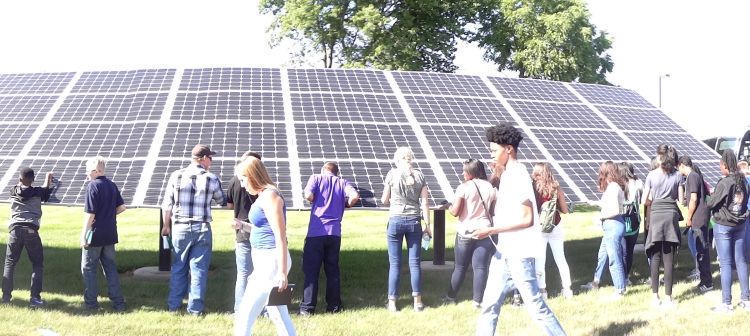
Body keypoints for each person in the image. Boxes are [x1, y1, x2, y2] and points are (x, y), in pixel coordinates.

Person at [473, 123, 565, 336]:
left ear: (509, 149)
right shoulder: (506, 174)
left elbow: (527, 218)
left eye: (494, 150)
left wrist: (492, 230)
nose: (492, 155)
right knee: (489, 306)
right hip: (503, 253)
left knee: (536, 308)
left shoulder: (519, 174)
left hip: (519, 255)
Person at [233, 156, 295, 336]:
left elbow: (280, 236)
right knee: (278, 314)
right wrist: (242, 225)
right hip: (265, 260)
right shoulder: (264, 195)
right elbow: (263, 228)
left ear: (253, 176)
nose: (243, 185)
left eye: (244, 180)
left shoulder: (270, 196)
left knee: (245, 314)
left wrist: (282, 272)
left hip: (272, 262)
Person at [161, 144, 225, 316]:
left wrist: (166, 225)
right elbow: (221, 200)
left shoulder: (177, 175)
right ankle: (195, 309)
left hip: (180, 227)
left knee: (178, 268)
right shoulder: (211, 178)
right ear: (203, 159)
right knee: (199, 270)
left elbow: (167, 204)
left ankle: (174, 306)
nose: (211, 161)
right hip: (202, 228)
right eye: (210, 158)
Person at [299, 162, 360, 315]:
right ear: (336, 172)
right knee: (332, 270)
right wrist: (346, 204)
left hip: (316, 232)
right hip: (334, 233)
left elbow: (308, 195)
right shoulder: (342, 182)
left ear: (323, 170)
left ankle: (307, 308)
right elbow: (354, 196)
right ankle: (334, 306)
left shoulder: (316, 178)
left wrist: (315, 200)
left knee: (311, 271)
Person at [381, 147, 431, 312]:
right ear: (411, 159)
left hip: (395, 220)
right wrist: (428, 225)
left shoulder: (392, 174)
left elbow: (384, 200)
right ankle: (417, 302)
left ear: (397, 159)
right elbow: (424, 203)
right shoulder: (419, 175)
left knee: (395, 264)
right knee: (415, 263)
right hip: (414, 221)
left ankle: (393, 303)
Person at [443, 159, 496, 308]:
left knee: (460, 267)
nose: (462, 173)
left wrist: (448, 205)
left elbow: (455, 212)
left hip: (465, 232)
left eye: (464, 171)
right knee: (480, 267)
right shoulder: (490, 187)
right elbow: (492, 212)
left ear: (471, 172)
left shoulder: (463, 187)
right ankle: (477, 301)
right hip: (485, 231)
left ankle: (451, 297)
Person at [80, 157, 127, 311]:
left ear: (95, 171)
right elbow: (122, 208)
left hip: (94, 234)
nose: (87, 174)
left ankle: (92, 304)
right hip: (110, 233)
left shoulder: (93, 186)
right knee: (110, 268)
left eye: (88, 171)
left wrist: (84, 235)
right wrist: (107, 216)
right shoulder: (112, 185)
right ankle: (118, 303)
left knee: (88, 268)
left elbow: (90, 214)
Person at [2, 167, 53, 307]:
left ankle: (6, 297)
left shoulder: (12, 190)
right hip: (31, 231)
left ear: (19, 179)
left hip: (14, 231)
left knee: (10, 263)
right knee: (37, 264)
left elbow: (22, 188)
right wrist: (48, 180)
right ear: (33, 180)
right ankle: (35, 298)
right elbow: (46, 191)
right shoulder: (38, 192)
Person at [707, 149, 749, 312]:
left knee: (725, 264)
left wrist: (711, 195)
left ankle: (726, 303)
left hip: (724, 226)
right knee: (741, 261)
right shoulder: (743, 181)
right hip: (740, 224)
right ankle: (746, 299)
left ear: (725, 164)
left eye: (720, 165)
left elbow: (711, 203)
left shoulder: (724, 182)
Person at [642, 144, 682, 307]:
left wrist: (655, 202)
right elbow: (680, 199)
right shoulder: (678, 175)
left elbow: (644, 200)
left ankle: (654, 296)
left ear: (659, 157)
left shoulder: (651, 175)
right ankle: (668, 298)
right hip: (671, 214)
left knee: (655, 255)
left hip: (656, 214)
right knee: (669, 257)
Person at [227, 151, 261, 313]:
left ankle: (239, 309)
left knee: (243, 273)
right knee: (260, 273)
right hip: (260, 231)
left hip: (241, 231)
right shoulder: (261, 183)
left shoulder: (234, 181)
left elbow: (229, 204)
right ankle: (259, 308)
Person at [531, 162, 572, 299]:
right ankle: (567, 289)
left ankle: (543, 291)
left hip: (539, 228)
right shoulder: (556, 188)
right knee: (560, 258)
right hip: (556, 226)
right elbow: (565, 210)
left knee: (540, 260)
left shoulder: (533, 188)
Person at [678, 155, 713, 293]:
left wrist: (689, 217)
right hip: (701, 217)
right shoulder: (696, 176)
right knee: (701, 249)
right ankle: (705, 280)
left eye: (678, 168)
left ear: (682, 165)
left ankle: (707, 282)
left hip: (698, 218)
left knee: (702, 251)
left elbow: (693, 199)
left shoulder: (692, 176)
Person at [619, 162, 643, 283]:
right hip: (634, 222)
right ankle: (626, 276)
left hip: (623, 221)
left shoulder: (620, 185)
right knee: (628, 251)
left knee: (623, 251)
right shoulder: (638, 183)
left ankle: (623, 277)